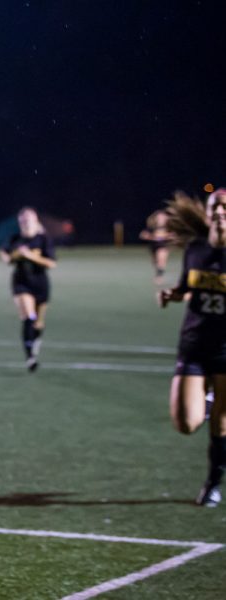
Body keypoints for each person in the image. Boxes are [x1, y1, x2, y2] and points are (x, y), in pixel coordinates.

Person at [157, 189, 226, 507]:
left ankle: (213, 483)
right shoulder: (196, 249)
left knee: (220, 426)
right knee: (185, 424)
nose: (221, 211)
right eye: (216, 206)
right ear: (208, 211)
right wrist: (172, 294)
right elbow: (188, 286)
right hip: (194, 344)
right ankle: (208, 400)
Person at [0, 207, 57, 371]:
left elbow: (52, 263)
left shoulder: (43, 239)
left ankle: (35, 340)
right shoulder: (15, 239)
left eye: (29, 219)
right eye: (23, 219)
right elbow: (5, 257)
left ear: (35, 220)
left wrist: (31, 256)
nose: (25, 222)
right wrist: (16, 255)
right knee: (28, 317)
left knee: (38, 323)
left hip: (40, 283)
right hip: (21, 282)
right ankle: (30, 357)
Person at [140, 208, 171, 285]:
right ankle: (158, 270)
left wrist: (166, 236)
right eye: (160, 217)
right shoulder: (152, 227)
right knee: (155, 261)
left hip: (164, 245)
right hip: (154, 246)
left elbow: (174, 235)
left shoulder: (170, 227)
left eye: (163, 217)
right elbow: (142, 235)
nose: (161, 219)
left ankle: (159, 277)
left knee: (162, 259)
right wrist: (152, 237)